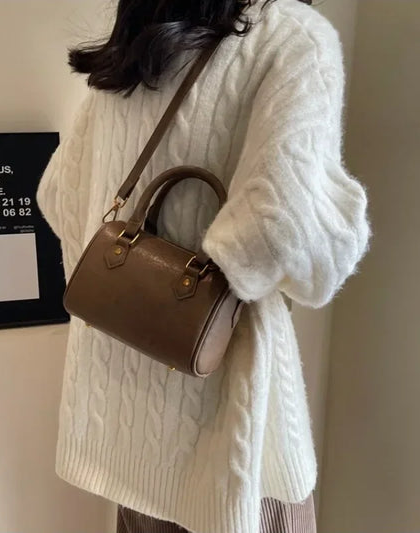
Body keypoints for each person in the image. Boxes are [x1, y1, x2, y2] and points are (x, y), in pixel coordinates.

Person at [36, 0, 373, 532]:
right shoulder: (293, 38)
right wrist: (342, 220)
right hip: (232, 449)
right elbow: (290, 242)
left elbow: (60, 195)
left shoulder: (137, 39)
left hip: (127, 440)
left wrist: (143, 278)